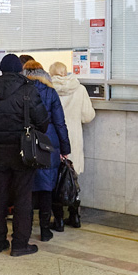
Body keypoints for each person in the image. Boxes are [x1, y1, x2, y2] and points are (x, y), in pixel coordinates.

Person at [0, 54, 49, 255]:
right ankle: (20, 244)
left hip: (0, 149)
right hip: (23, 150)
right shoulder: (28, 90)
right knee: (22, 197)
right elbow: (43, 122)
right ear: (20, 69)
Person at [22, 60, 70, 241]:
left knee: (27, 187)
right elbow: (59, 122)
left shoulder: (21, 91)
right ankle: (44, 230)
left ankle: (24, 229)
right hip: (48, 144)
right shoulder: (50, 93)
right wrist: (65, 148)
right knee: (46, 188)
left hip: (26, 143)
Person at [49, 60, 95, 228]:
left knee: (56, 179)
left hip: (55, 138)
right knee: (72, 178)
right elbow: (87, 116)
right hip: (74, 139)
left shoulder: (49, 88)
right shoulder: (79, 89)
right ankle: (75, 217)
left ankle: (59, 220)